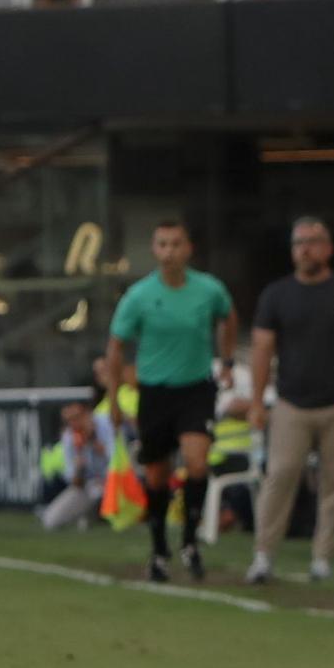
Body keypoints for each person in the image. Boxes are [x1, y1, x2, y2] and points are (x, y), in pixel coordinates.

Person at [102, 219, 237, 584]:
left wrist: (227, 361)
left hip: (195, 389)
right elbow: (116, 347)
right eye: (162, 244)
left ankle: (191, 541)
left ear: (188, 248)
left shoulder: (208, 289)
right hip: (155, 393)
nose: (169, 252)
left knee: (196, 461)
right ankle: (159, 548)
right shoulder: (139, 297)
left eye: (176, 244)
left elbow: (228, 316)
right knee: (157, 475)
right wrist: (114, 399)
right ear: (154, 249)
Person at [245, 216, 334, 584]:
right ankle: (263, 554)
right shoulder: (276, 294)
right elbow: (261, 347)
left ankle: (323, 557)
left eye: (313, 241)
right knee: (281, 474)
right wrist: (257, 400)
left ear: (328, 248)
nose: (305, 248)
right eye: (299, 242)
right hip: (292, 402)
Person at [39, 399, 111, 532]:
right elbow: (74, 481)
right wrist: (79, 467)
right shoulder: (69, 437)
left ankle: (99, 516)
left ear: (88, 414)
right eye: (69, 420)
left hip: (115, 483)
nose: (74, 424)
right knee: (50, 520)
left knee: (100, 491)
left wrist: (94, 442)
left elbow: (118, 461)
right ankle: (88, 515)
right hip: (89, 487)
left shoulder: (106, 423)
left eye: (77, 418)